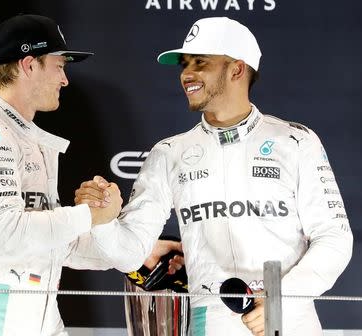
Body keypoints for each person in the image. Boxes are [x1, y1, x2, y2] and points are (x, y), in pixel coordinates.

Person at [74, 17, 353, 335]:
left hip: (290, 318)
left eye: (199, 63)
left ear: (236, 69)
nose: (185, 75)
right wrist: (104, 222)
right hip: (211, 321)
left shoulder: (296, 141)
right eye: (184, 65)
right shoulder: (169, 153)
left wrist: (280, 300)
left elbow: (334, 238)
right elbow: (129, 253)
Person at [0, 14, 122, 336]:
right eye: (59, 66)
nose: (65, 80)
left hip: (37, 307)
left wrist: (135, 249)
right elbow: (8, 234)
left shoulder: (24, 136)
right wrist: (90, 215)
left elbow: (52, 242)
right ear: (28, 65)